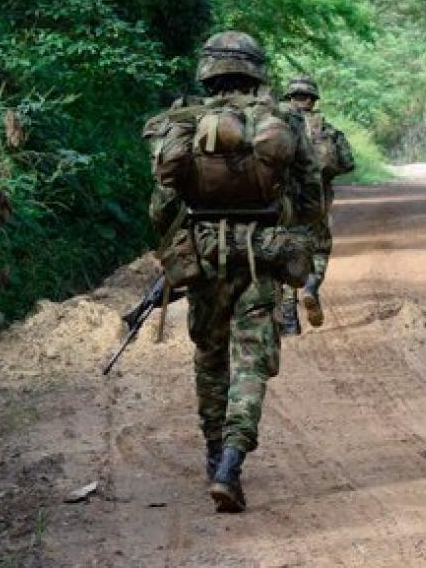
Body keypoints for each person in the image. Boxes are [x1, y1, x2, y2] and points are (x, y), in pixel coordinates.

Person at [143, 31, 323, 511]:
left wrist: (177, 246)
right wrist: (293, 234)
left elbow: (162, 206)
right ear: (256, 73)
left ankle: (212, 455)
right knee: (251, 364)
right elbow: (310, 198)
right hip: (263, 257)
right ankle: (231, 464)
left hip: (203, 258)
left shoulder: (181, 121)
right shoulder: (282, 120)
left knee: (209, 357)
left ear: (209, 71)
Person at [279, 75, 354, 335]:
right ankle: (310, 286)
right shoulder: (327, 129)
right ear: (312, 100)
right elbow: (347, 162)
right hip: (317, 202)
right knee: (320, 250)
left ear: (289, 98)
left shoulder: (275, 126)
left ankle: (289, 320)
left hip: (283, 204)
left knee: (285, 253)